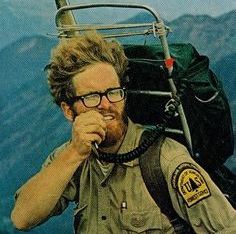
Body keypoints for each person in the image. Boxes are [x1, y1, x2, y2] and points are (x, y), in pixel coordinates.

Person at [11, 31, 236, 233]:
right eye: (91, 97)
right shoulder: (71, 157)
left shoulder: (166, 160)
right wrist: (74, 154)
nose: (106, 104)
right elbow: (22, 219)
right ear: (69, 110)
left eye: (113, 92)